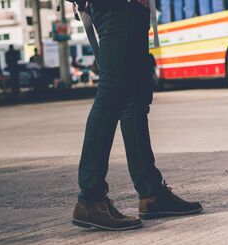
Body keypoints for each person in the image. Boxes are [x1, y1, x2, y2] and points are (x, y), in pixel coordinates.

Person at [72, 0, 203, 231]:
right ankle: (90, 199)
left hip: (134, 9)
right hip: (114, 7)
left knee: (136, 99)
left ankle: (151, 194)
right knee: (111, 94)